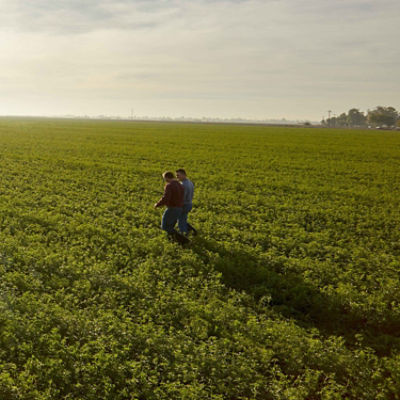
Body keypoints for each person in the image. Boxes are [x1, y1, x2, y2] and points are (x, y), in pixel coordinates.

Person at [154, 171, 186, 242]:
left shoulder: (169, 185)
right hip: (179, 208)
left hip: (172, 208)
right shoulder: (180, 185)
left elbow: (166, 197)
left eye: (164, 178)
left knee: (165, 227)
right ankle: (172, 240)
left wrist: (158, 204)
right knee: (170, 226)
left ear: (167, 177)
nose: (164, 180)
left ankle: (184, 240)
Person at [176, 168, 197, 236]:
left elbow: (182, 197)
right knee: (183, 218)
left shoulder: (183, 185)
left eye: (178, 175)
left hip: (184, 205)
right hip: (189, 203)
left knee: (181, 221)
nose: (177, 177)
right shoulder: (189, 182)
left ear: (183, 175)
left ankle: (184, 235)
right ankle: (191, 230)